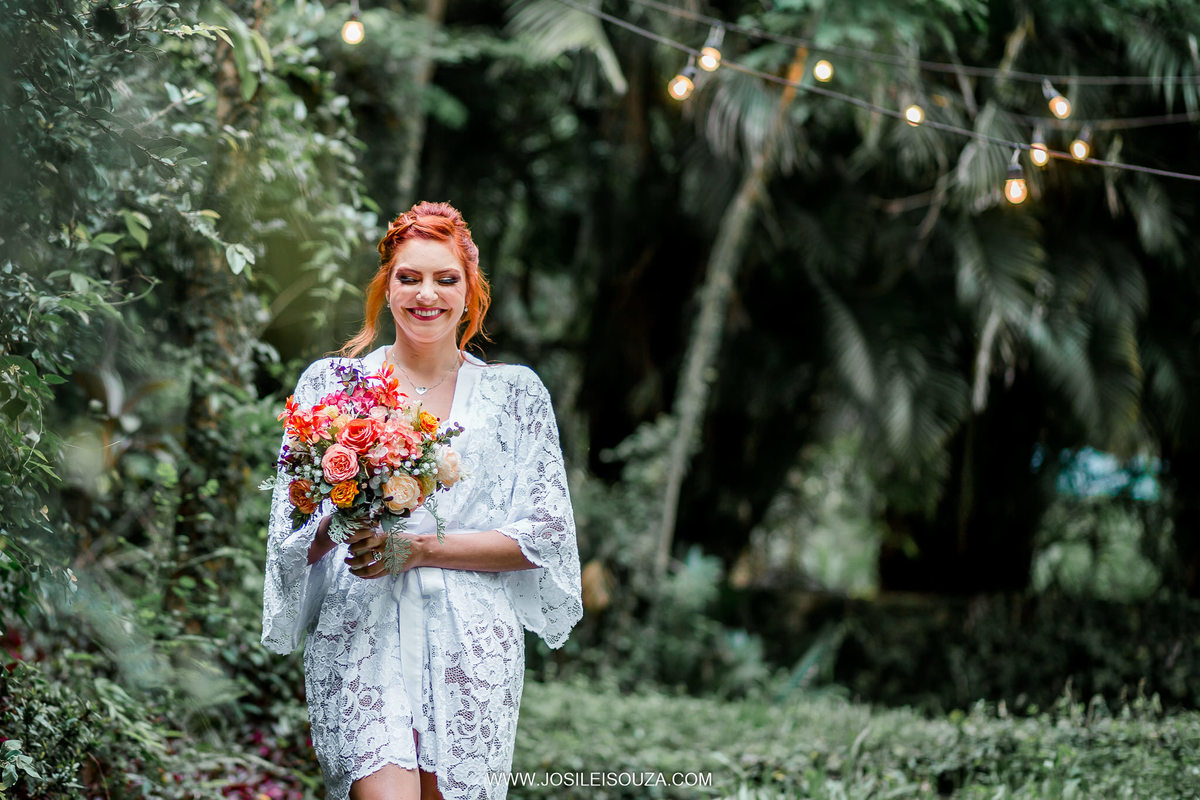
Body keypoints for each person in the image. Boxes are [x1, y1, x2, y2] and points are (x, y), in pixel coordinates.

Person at [261, 201, 583, 800]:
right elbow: (289, 540)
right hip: (364, 633)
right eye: (408, 277)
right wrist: (347, 514)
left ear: (471, 292)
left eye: (445, 279)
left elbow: (545, 537)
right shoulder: (331, 387)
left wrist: (420, 548)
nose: (425, 294)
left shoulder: (517, 398)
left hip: (472, 648)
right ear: (386, 287)